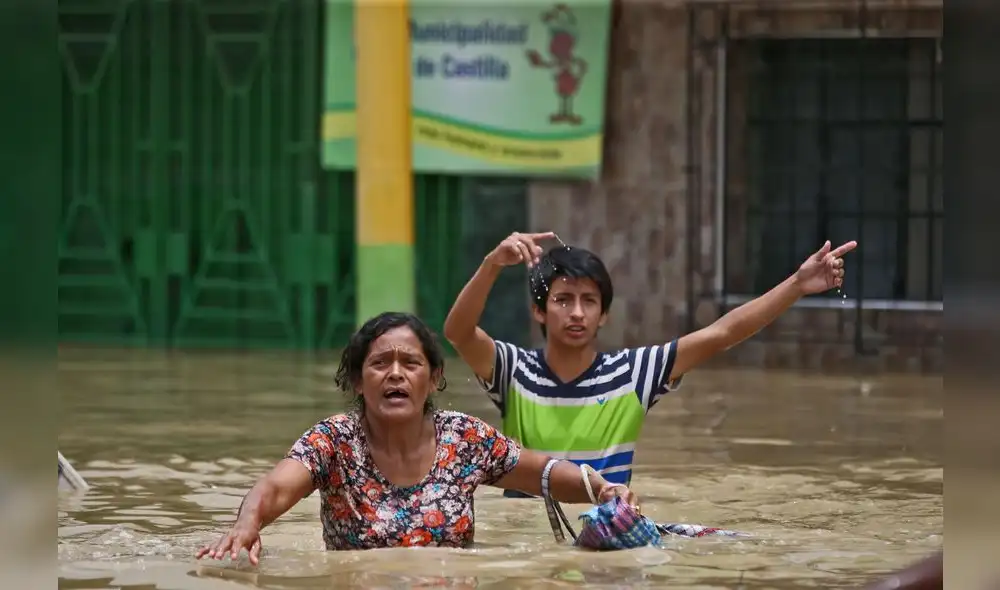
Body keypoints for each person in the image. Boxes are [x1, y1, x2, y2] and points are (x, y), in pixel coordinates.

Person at [196, 311, 638, 563]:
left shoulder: (464, 439)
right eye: (379, 363)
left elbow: (539, 471)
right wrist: (245, 526)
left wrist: (599, 487)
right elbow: (274, 486)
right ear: (357, 381)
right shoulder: (334, 441)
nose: (395, 374)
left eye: (410, 363)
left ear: (434, 378)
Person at [443, 232, 857, 496]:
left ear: (604, 315)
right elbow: (458, 333)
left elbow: (722, 333)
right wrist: (492, 264)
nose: (577, 313)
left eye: (589, 301)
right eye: (563, 300)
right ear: (539, 311)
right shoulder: (514, 370)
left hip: (608, 528)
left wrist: (798, 285)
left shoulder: (633, 373)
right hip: (524, 537)